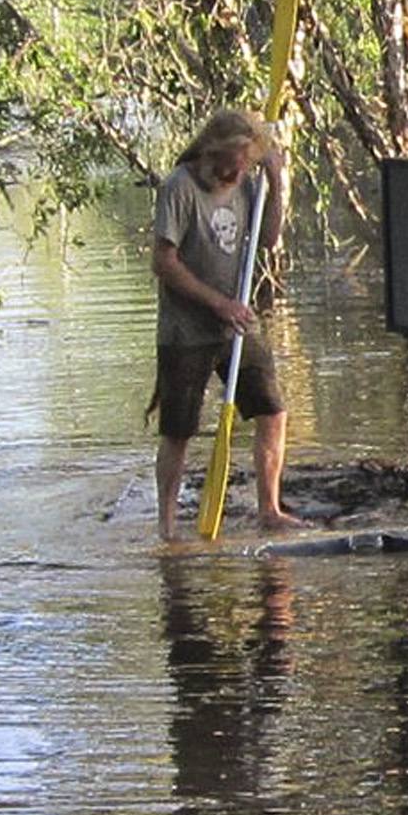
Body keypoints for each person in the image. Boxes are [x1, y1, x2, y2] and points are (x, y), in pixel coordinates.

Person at [150, 109, 309, 541]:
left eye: (250, 161)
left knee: (272, 411)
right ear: (215, 150)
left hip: (236, 326)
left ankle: (270, 509)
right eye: (239, 160)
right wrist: (217, 303)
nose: (243, 169)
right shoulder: (179, 188)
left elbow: (269, 239)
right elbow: (163, 263)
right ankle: (167, 526)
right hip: (187, 330)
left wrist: (276, 183)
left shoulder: (249, 185)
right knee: (179, 429)